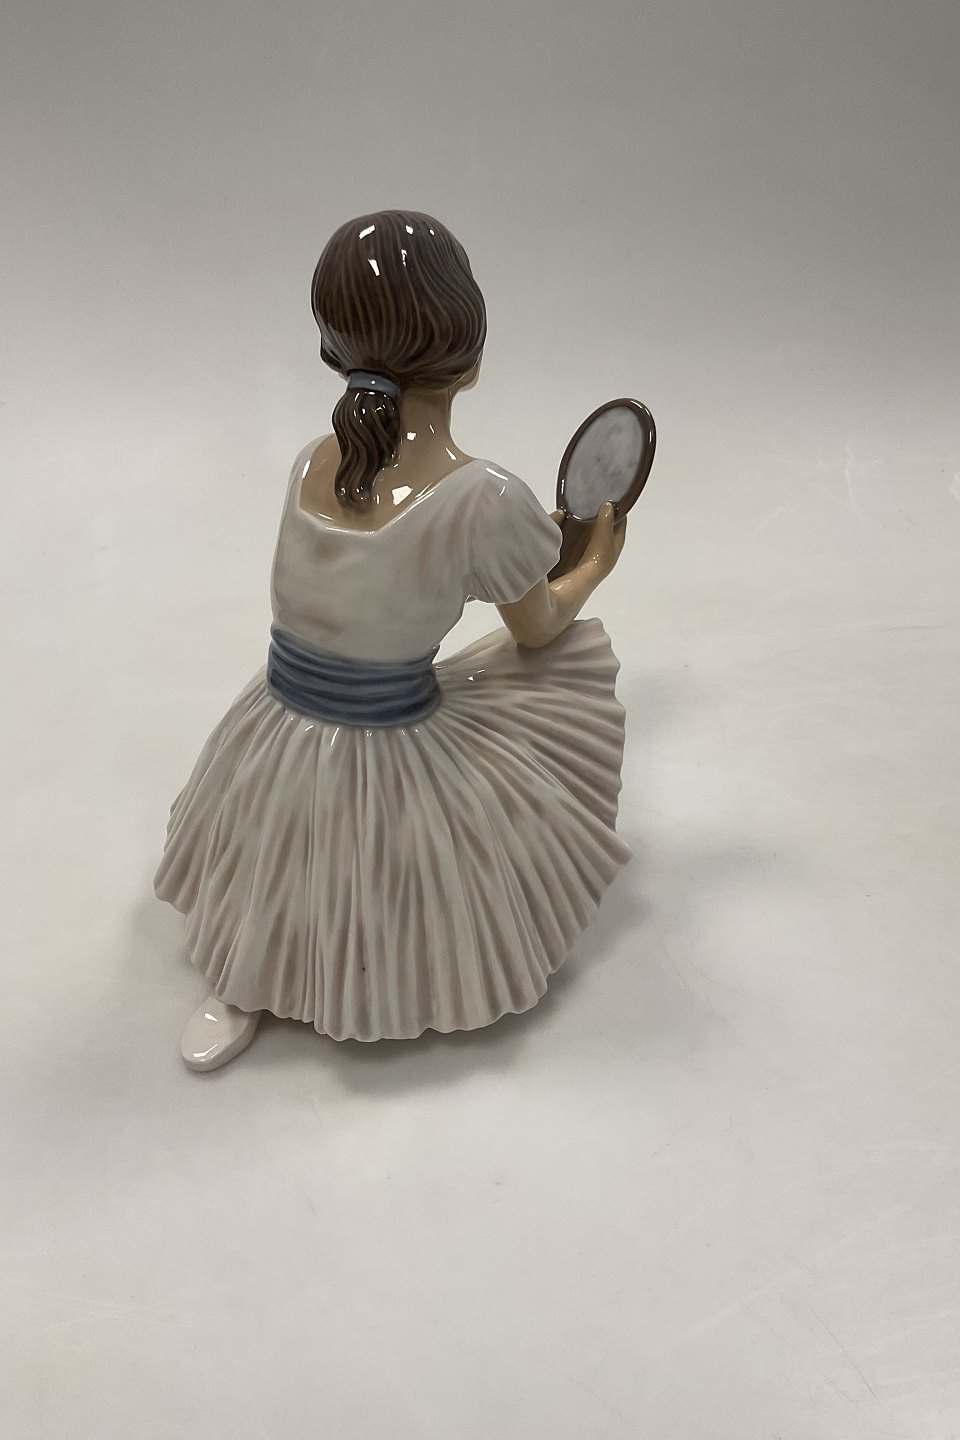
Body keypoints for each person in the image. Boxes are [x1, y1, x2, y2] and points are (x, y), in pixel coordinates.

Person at [155, 210, 631, 1071]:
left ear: (333, 352)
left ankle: (245, 976)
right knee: (547, 674)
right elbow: (536, 628)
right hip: (386, 736)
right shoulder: (487, 498)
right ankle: (372, 974)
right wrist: (590, 563)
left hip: (272, 730)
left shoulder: (311, 461)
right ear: (471, 355)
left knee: (280, 858)